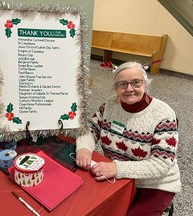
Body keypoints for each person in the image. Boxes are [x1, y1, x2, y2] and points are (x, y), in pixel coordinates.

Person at [76, 61, 181, 215]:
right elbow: (90, 129)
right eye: (122, 84)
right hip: (119, 177)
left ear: (145, 84)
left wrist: (117, 168)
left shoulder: (163, 114)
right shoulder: (110, 105)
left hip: (154, 183)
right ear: (116, 88)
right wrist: (84, 147)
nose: (129, 89)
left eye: (135, 83)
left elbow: (161, 163)